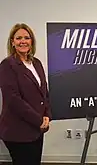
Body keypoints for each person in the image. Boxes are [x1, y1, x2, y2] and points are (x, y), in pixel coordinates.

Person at [0, 23, 52, 165]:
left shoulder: (37, 63)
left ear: (31, 41)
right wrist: (38, 120)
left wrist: (47, 115)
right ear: (12, 42)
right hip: (18, 131)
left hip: (37, 129)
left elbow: (44, 92)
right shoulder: (7, 65)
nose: (23, 41)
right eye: (18, 38)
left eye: (27, 38)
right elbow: (13, 100)